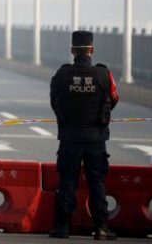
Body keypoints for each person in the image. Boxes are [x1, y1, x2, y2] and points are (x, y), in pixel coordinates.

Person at [49, 30, 120, 240]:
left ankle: (62, 227)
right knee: (97, 182)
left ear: (72, 51)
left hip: (69, 138)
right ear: (92, 50)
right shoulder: (103, 74)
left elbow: (55, 101)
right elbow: (114, 98)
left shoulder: (62, 75)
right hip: (96, 139)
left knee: (67, 181)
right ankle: (101, 227)